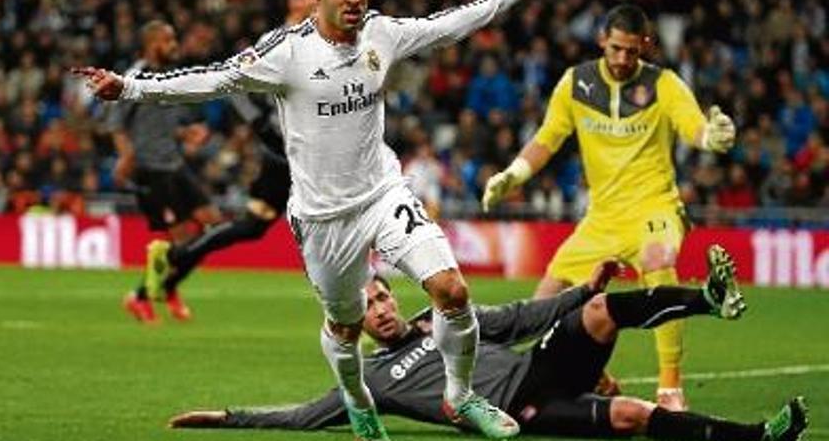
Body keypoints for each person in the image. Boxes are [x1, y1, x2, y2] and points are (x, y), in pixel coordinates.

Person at [73, 0, 546, 439]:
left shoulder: (381, 33)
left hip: (383, 193)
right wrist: (130, 88)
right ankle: (357, 398)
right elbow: (214, 79)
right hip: (323, 217)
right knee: (345, 327)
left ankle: (461, 395)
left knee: (452, 290)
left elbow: (448, 24)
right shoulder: (286, 52)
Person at [167, 246, 809, 441]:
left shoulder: (439, 319)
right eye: (370, 307)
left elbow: (519, 316)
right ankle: (757, 438)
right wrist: (226, 417)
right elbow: (305, 417)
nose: (383, 308)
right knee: (633, 415)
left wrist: (581, 286)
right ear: (355, 323)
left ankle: (709, 300)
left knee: (601, 309)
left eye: (385, 296)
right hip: (522, 414)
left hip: (540, 367)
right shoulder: (368, 382)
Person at [481, 4, 737, 411]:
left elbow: (693, 126)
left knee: (659, 261)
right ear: (602, 40)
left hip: (655, 206)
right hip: (601, 217)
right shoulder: (575, 83)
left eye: (631, 51)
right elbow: (548, 138)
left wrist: (712, 138)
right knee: (545, 298)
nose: (621, 59)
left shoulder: (664, 84)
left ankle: (670, 387)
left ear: (645, 47)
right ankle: (590, 375)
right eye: (615, 48)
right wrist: (513, 174)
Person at [145, 0, 319, 314]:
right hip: (286, 155)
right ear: (294, 0)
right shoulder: (279, 41)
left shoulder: (317, 36)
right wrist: (261, 126)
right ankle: (358, 318)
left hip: (307, 155)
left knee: (253, 228)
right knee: (338, 228)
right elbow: (232, 80)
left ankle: (172, 263)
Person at [107, 20, 224, 323]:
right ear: (151, 44)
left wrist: (187, 133)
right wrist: (125, 156)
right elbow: (116, 123)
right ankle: (142, 296)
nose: (174, 45)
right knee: (183, 236)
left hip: (174, 163)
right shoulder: (134, 77)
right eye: (168, 40)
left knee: (213, 224)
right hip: (150, 168)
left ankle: (166, 286)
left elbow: (164, 126)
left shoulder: (169, 76)